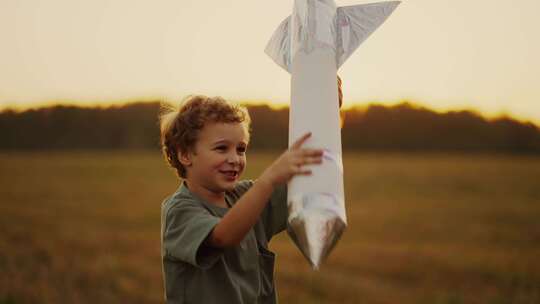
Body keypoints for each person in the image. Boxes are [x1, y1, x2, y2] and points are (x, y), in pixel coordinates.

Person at [159, 77, 343, 304]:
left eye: (241, 149)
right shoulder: (179, 211)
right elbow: (223, 236)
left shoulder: (247, 196)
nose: (234, 159)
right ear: (185, 154)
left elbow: (307, 173)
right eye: (221, 148)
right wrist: (268, 180)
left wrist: (323, 112)